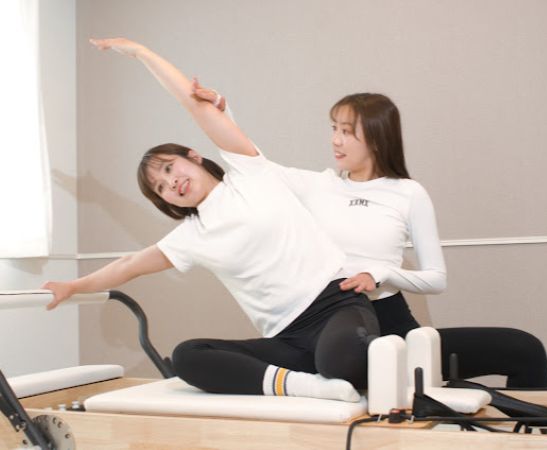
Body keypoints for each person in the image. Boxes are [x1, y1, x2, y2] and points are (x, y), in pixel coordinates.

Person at [43, 38, 380, 402]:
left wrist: (142, 53)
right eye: (161, 188)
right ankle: (304, 385)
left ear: (194, 156)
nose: (171, 182)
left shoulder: (249, 172)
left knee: (343, 361)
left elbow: (193, 104)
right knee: (188, 357)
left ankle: (326, 375)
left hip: (335, 306)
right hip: (286, 339)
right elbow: (129, 265)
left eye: (169, 168)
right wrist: (72, 287)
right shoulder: (191, 236)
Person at [192, 89, 547, 388]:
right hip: (321, 326)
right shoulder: (318, 186)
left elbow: (436, 279)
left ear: (377, 137)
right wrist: (223, 113)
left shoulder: (408, 193)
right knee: (196, 355)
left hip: (389, 328)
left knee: (523, 348)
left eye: (347, 131)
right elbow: (252, 162)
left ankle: (537, 437)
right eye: (334, 129)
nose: (335, 140)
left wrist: (381, 274)